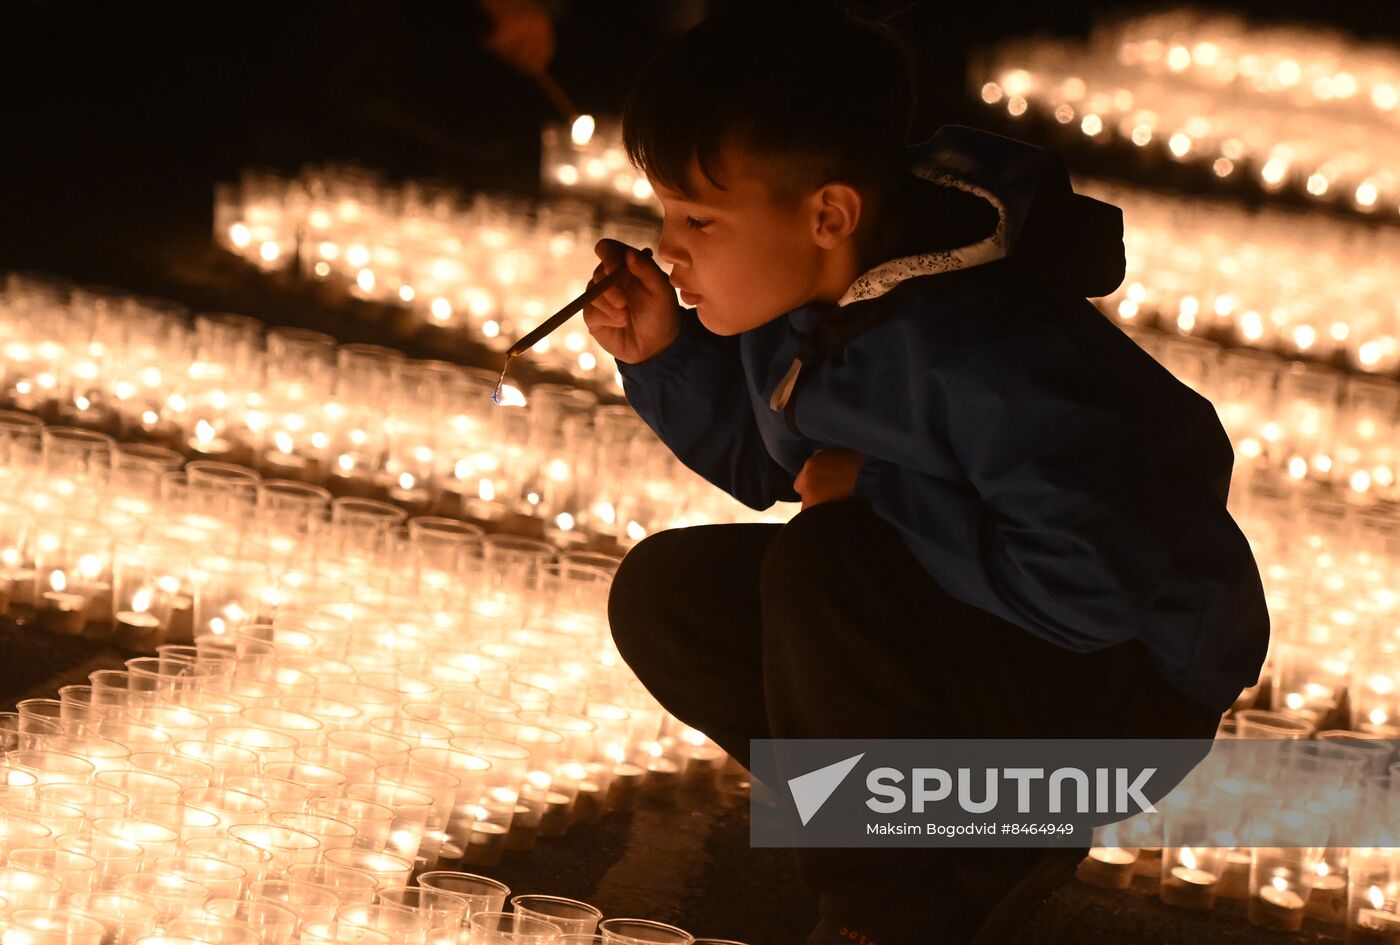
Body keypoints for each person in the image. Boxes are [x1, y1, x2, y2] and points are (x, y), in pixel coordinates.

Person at [581, 3, 1270, 942]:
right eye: (664, 212)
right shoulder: (817, 299)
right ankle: (948, 850)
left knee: (828, 564)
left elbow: (1089, 587)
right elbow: (776, 461)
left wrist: (873, 496)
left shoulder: (985, 350)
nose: (668, 245)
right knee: (668, 596)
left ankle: (898, 907)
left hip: (1121, 692)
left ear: (830, 212)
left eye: (699, 216)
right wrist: (663, 354)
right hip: (1001, 639)